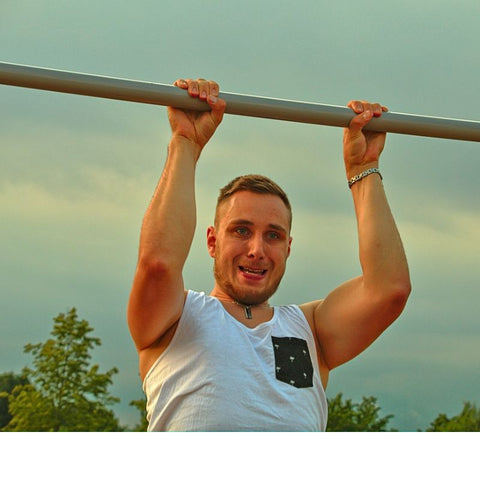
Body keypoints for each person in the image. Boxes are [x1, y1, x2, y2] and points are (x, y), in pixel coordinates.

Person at [127, 78, 411, 431]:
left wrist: (363, 170)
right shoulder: (173, 318)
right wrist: (185, 143)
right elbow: (158, 263)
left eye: (273, 236)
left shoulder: (312, 331)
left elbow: (389, 289)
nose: (257, 250)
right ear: (212, 242)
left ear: (288, 248)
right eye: (242, 230)